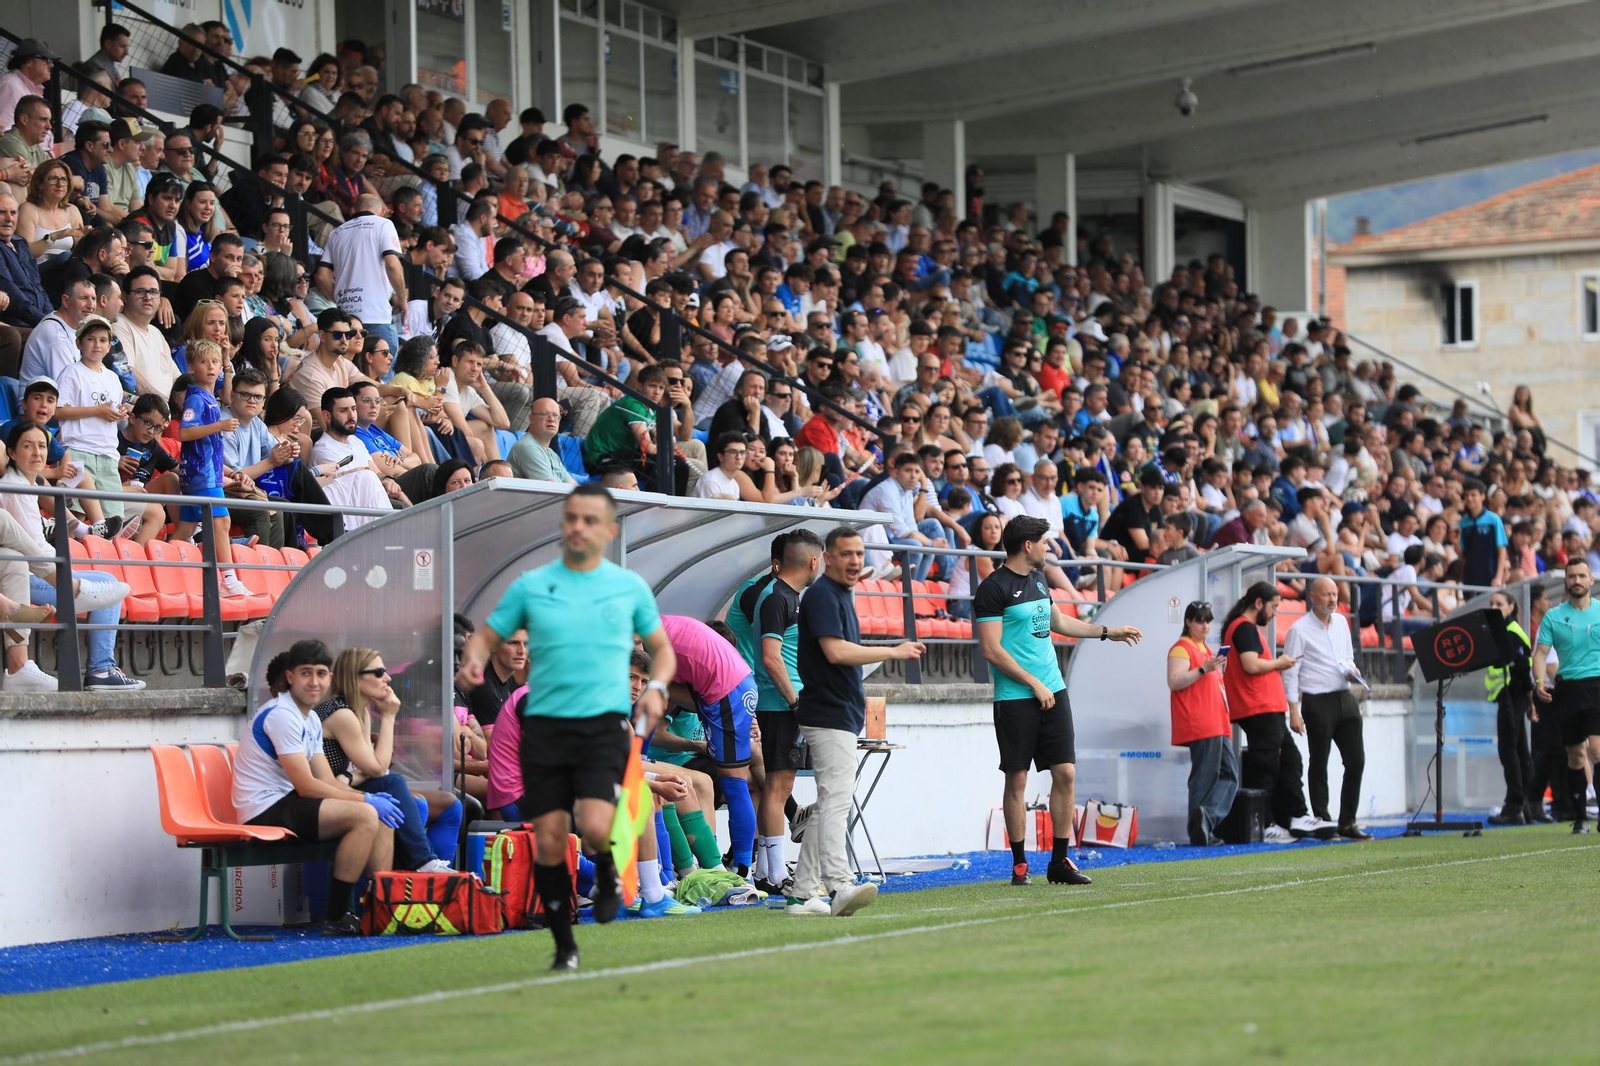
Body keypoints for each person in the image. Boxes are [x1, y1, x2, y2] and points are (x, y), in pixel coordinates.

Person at [455, 484, 677, 970]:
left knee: (597, 828)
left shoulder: (628, 588)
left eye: (590, 520)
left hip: (600, 727)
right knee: (551, 838)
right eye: (571, 518)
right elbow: (486, 637)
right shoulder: (532, 586)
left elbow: (662, 651)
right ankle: (564, 946)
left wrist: (658, 688)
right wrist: (471, 662)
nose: (578, 527)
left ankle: (610, 876)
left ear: (609, 530)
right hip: (545, 730)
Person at [975, 515, 1142, 886]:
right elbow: (991, 649)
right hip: (1017, 696)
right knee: (1017, 779)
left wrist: (1106, 632)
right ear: (1027, 546)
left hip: (1053, 689)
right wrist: (1033, 683)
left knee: (1065, 773)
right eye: (1045, 542)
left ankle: (1060, 862)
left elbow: (1059, 622)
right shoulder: (992, 588)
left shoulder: (1038, 578)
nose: (1050, 547)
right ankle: (1020, 865)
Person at [787, 526, 924, 917]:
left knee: (830, 802)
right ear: (826, 557)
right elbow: (835, 651)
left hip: (838, 713)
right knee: (837, 802)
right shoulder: (822, 596)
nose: (855, 561)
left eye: (860, 554)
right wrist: (893, 650)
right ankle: (839, 885)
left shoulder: (839, 594)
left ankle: (801, 895)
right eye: (846, 554)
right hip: (827, 713)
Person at [233, 640, 400, 936]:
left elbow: (323, 779)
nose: (314, 681)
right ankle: (337, 916)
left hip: (287, 801)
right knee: (364, 816)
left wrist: (367, 799)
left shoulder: (309, 717)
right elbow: (307, 786)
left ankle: (382, 908)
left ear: (330, 679)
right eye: (306, 673)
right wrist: (366, 799)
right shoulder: (282, 715)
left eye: (321, 674)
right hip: (264, 808)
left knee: (380, 816)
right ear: (290, 677)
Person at [314, 646, 462, 872]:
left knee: (449, 803)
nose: (388, 677)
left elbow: (375, 768)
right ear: (355, 677)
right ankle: (423, 864)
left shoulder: (358, 710)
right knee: (395, 785)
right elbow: (377, 769)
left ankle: (433, 876)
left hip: (343, 786)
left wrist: (348, 776)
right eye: (378, 672)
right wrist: (388, 716)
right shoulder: (341, 713)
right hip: (326, 795)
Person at [739, 531, 823, 893]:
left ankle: (768, 871)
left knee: (777, 786)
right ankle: (772, 875)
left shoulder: (789, 597)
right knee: (778, 787)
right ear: (813, 561)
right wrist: (796, 702)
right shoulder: (776, 597)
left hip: (786, 703)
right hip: (780, 704)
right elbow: (771, 658)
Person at [660, 613, 761, 878]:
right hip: (733, 686)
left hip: (726, 691)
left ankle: (740, 870)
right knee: (739, 776)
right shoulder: (657, 625)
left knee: (734, 782)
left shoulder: (643, 636)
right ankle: (705, 867)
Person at [1220, 582, 1322, 843]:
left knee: (1289, 761)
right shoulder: (1243, 627)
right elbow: (1251, 665)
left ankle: (1295, 817)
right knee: (1266, 767)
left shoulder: (1244, 627)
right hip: (1258, 707)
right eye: (1274, 606)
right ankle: (1266, 824)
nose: (1276, 612)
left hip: (1265, 707)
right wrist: (1281, 662)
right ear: (1258, 603)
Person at [1283, 577, 1372, 840]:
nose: (1332, 599)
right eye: (1326, 595)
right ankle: (1323, 821)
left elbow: (1346, 657)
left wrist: (1351, 670)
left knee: (1356, 760)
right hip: (1317, 700)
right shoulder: (1298, 630)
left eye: (1334, 594)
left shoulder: (1342, 622)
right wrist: (1294, 711)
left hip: (1344, 697)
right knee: (1319, 761)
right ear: (1312, 597)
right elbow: (1291, 673)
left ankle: (1347, 822)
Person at [173, 339, 250, 597]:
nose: (210, 367)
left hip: (208, 473)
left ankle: (162, 568)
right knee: (222, 521)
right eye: (204, 362)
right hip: (201, 474)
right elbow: (185, 433)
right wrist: (219, 426)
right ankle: (228, 579)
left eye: (215, 362)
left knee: (185, 527)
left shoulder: (210, 398)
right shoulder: (196, 398)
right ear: (191, 367)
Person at [1532, 557, 1600, 834]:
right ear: (1566, 581)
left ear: (1591, 580)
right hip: (1568, 689)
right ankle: (1581, 816)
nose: (1577, 581)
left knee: (1596, 750)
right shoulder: (1554, 616)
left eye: (1582, 576)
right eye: (1572, 576)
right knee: (1575, 756)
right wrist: (1539, 682)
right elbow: (1541, 654)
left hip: (1596, 686)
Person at [1166, 601, 1237, 846]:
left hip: (1216, 720)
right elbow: (1175, 681)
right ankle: (1200, 826)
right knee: (1205, 778)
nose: (1205, 626)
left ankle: (1205, 819)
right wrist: (1204, 669)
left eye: (1208, 621)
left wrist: (1215, 669)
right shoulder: (1181, 648)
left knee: (1229, 775)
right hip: (1202, 720)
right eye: (1200, 621)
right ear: (1188, 622)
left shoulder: (1204, 649)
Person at [1486, 590, 1541, 825]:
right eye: (1491, 603)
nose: (1494, 606)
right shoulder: (1502, 631)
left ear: (1511, 607)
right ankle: (1528, 803)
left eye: (1499, 603)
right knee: (1518, 751)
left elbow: (1522, 669)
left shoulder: (1512, 632)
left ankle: (1515, 805)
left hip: (1512, 695)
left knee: (1509, 751)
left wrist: (1530, 703)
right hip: (1509, 697)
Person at [506, 397, 572, 483]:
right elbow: (552, 490)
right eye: (544, 414)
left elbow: (573, 486)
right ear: (531, 419)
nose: (551, 419)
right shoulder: (528, 447)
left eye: (556, 415)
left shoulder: (551, 454)